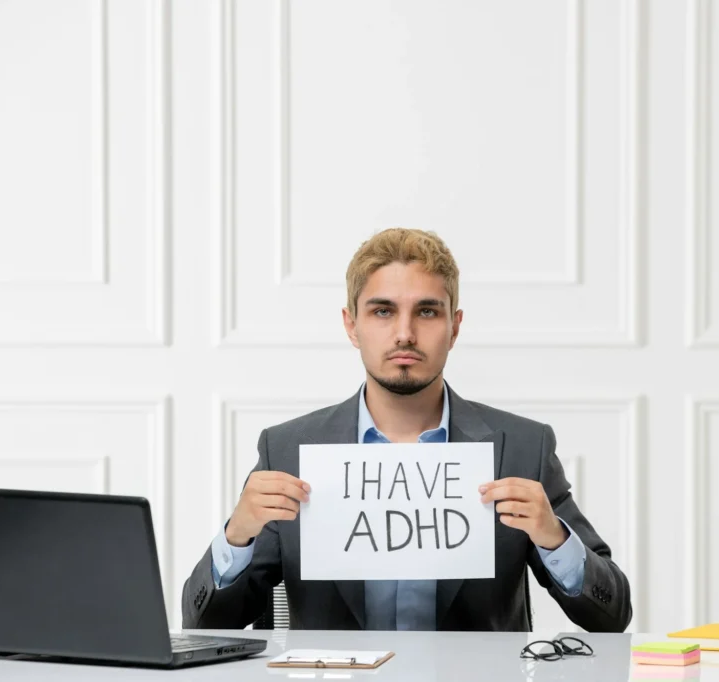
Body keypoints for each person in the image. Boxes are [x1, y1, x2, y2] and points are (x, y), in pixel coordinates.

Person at [182, 228, 631, 632]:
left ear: (454, 328)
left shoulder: (522, 448)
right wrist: (236, 535)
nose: (404, 333)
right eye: (382, 311)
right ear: (351, 326)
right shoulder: (289, 449)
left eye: (428, 312)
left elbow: (612, 615)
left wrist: (554, 538)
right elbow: (205, 622)